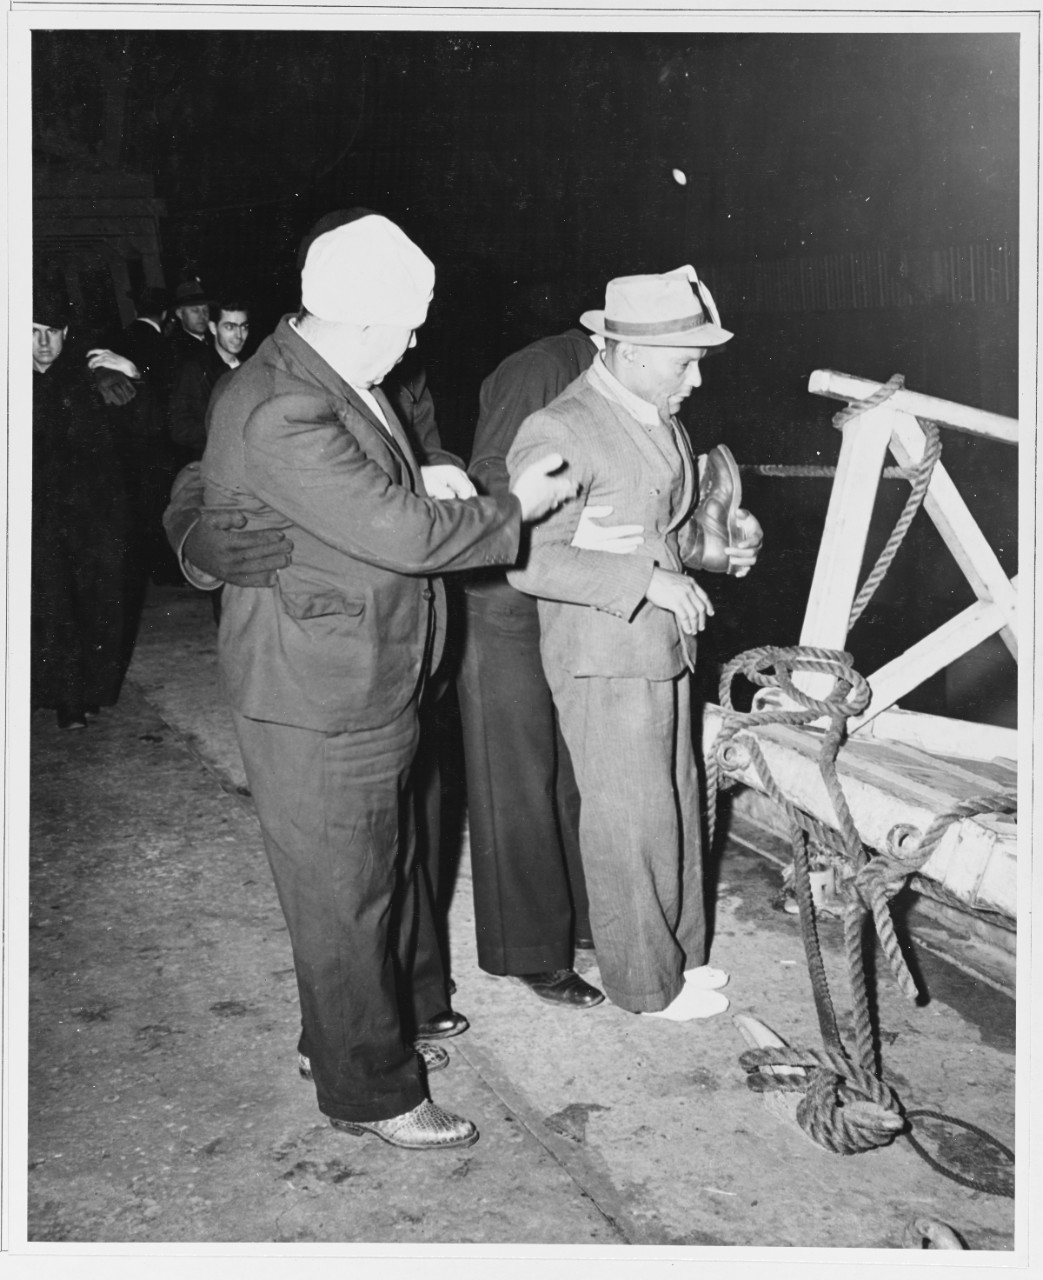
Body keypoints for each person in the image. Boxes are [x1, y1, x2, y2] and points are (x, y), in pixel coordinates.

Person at [200, 212, 575, 1150]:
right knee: (342, 895)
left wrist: (436, 476)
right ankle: (371, 1094)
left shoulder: (329, 379)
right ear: (362, 320)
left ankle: (334, 1043)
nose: (413, 344)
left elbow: (379, 491)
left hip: (367, 677)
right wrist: (510, 508)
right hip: (319, 695)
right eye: (406, 327)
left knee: (358, 882)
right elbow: (400, 536)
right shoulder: (285, 404)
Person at [506, 265, 761, 1021]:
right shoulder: (561, 429)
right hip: (603, 655)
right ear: (622, 350)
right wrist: (646, 583)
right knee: (627, 822)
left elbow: (664, 525)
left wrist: (716, 550)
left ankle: (676, 961)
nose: (694, 380)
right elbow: (521, 557)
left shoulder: (656, 416)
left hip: (662, 650)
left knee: (674, 808)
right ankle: (642, 986)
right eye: (682, 363)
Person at [460, 328, 609, 1006]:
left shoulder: (603, 380)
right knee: (513, 780)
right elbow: (495, 482)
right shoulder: (537, 371)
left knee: (571, 771)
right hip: (503, 600)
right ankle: (527, 950)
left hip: (561, 594)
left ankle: (580, 922)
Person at [31, 272, 129, 729]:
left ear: (67, 334)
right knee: (53, 607)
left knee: (93, 604)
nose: (44, 342)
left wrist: (132, 372)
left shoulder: (89, 378)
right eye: (33, 332)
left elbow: (141, 420)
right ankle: (64, 697)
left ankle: (86, 692)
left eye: (52, 332)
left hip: (89, 517)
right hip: (38, 519)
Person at [169, 298, 250, 460]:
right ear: (213, 328)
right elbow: (179, 428)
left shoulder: (250, 365)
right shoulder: (195, 369)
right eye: (230, 327)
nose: (239, 336)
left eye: (244, 327)